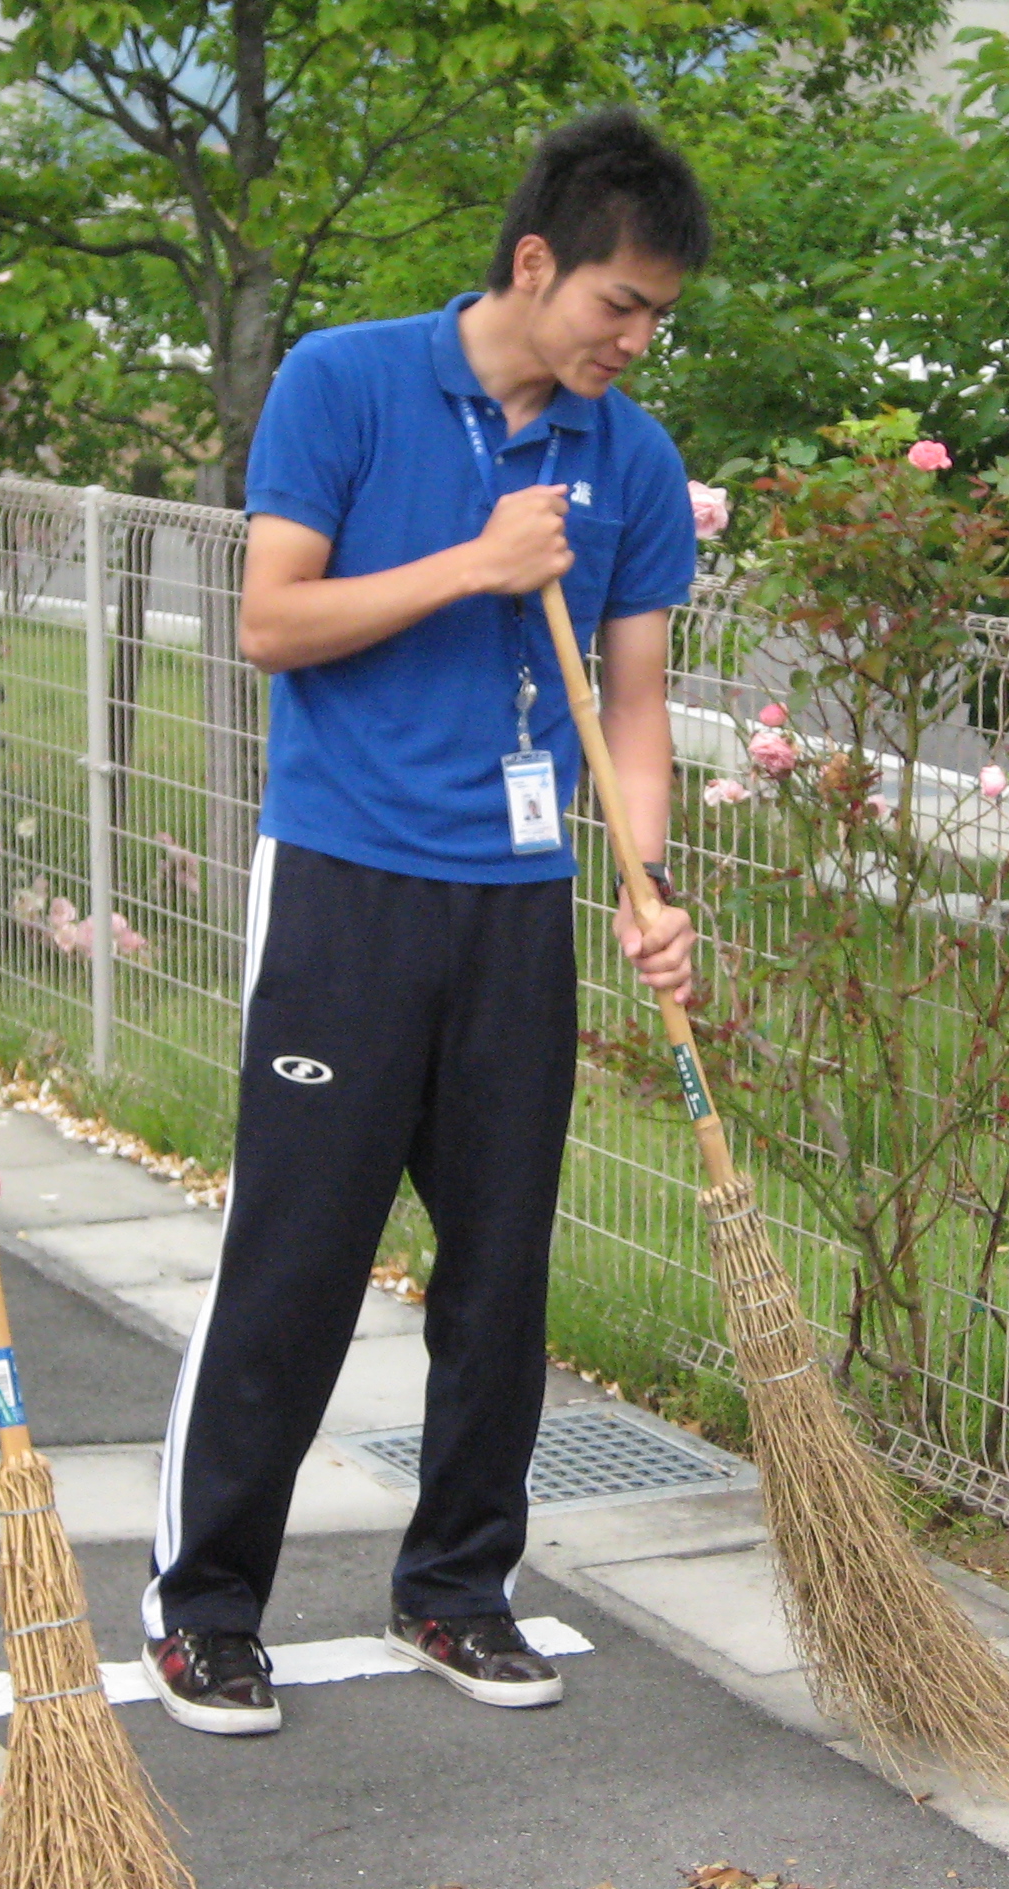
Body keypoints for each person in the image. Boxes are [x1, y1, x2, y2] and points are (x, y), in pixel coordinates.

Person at [139, 110, 707, 1734]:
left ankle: (456, 1584)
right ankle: (206, 1603)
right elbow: (269, 620)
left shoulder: (630, 459)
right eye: (619, 302)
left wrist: (643, 885)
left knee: (501, 1269)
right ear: (535, 265)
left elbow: (638, 701)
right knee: (297, 1256)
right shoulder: (346, 381)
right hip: (344, 880)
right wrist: (469, 565)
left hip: (516, 906)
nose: (634, 338)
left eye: (657, 315)